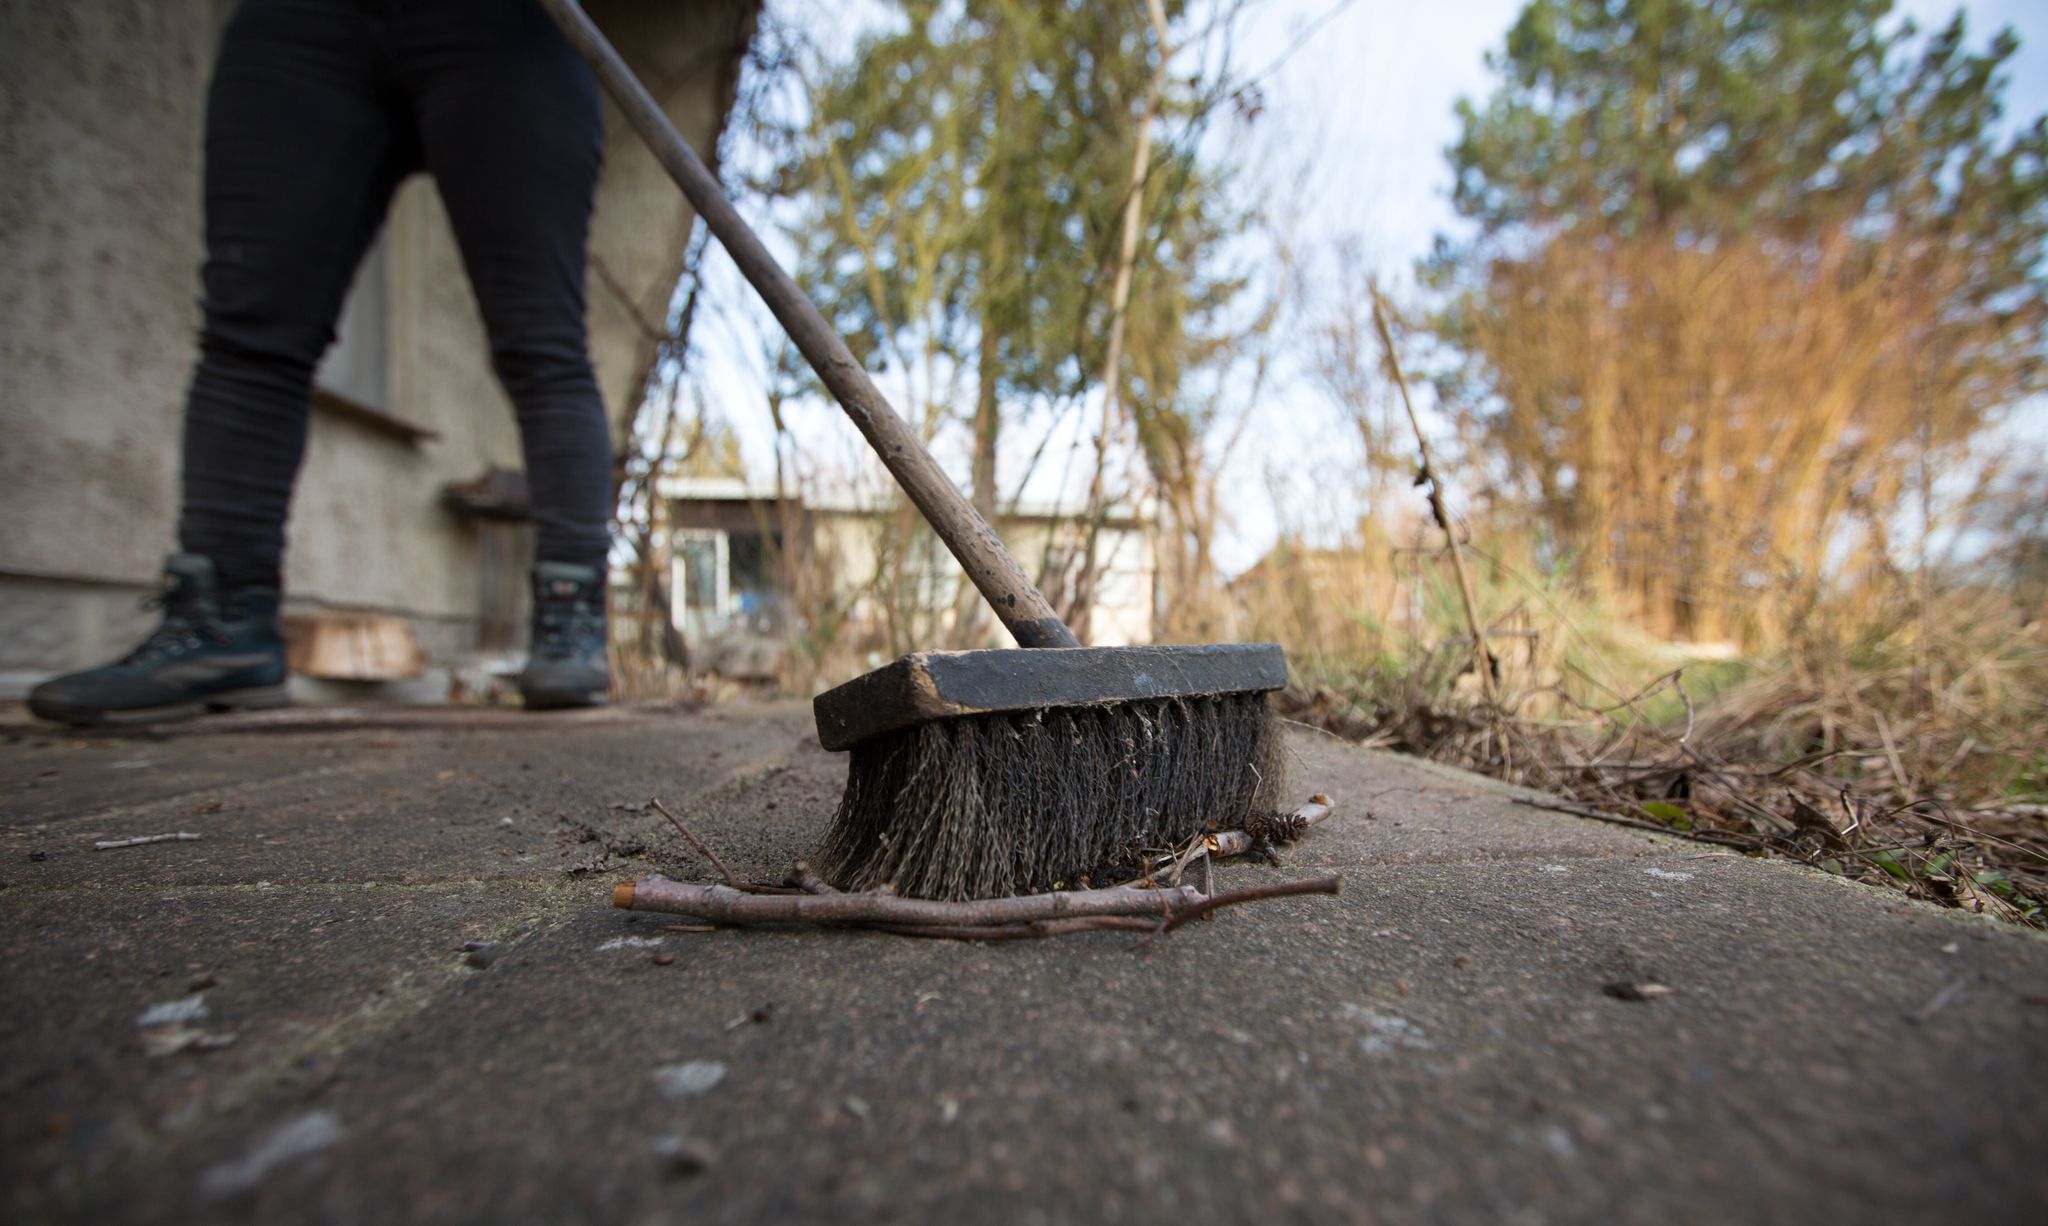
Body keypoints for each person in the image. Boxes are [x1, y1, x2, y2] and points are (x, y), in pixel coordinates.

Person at [29, 0, 614, 725]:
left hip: (507, 27)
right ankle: (220, 621)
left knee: (542, 342)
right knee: (251, 331)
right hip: (299, 21)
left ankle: (571, 617)